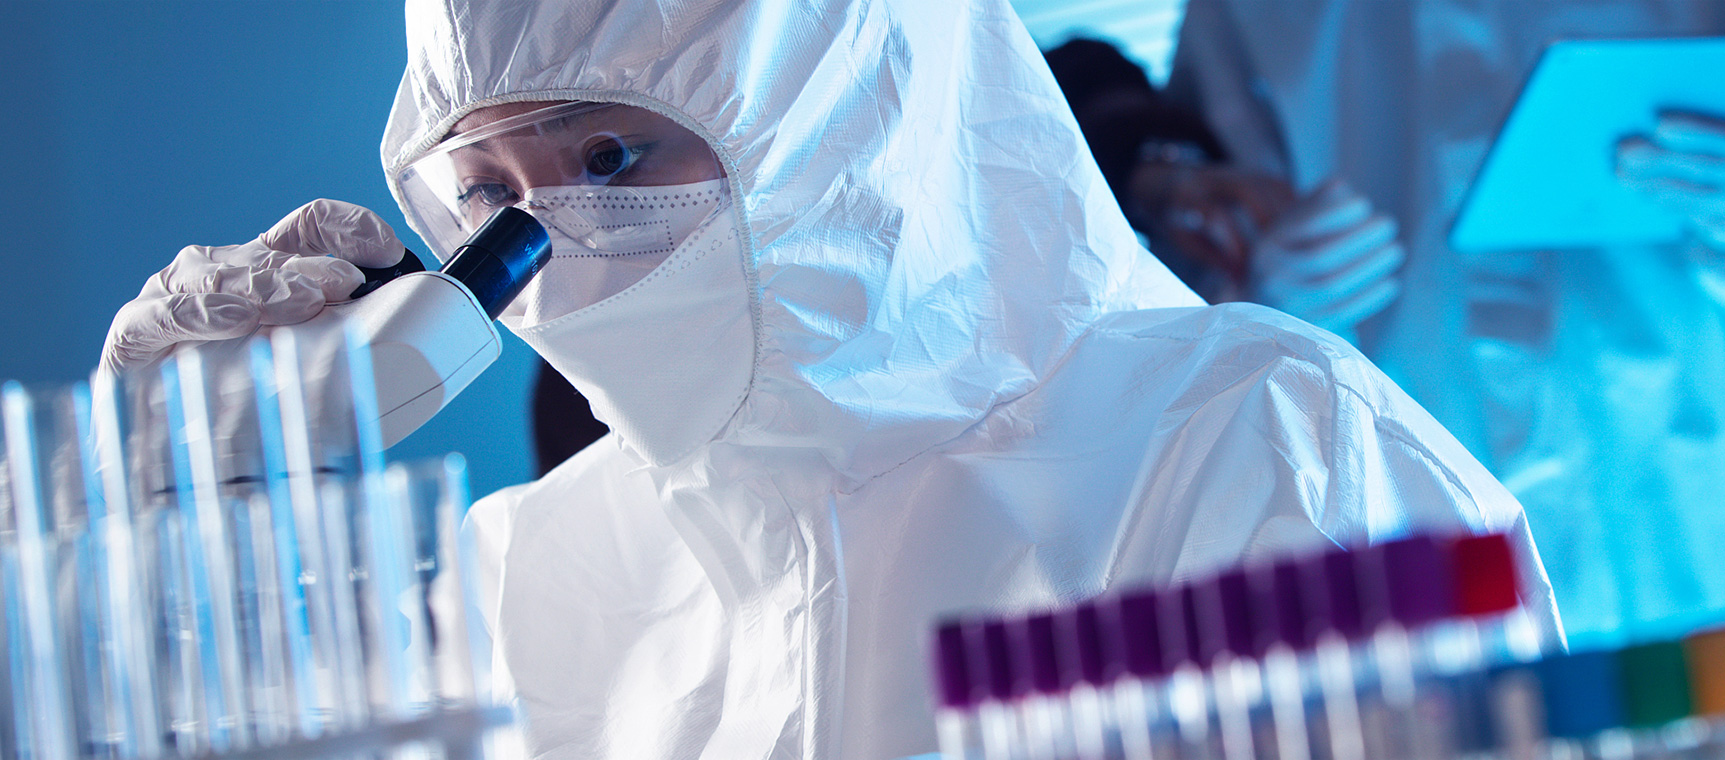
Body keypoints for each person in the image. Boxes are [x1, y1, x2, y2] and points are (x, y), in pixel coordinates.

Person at [100, 0, 1561, 757]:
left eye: (611, 155)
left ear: (840, 117)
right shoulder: (538, 565)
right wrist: (165, 547)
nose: (552, 251)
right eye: (487, 194)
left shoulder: (1261, 451)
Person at [1080, 0, 1725, 657]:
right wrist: (1263, 306)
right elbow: (1188, 277)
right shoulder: (1243, 14)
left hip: (1693, 534)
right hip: (1416, 568)